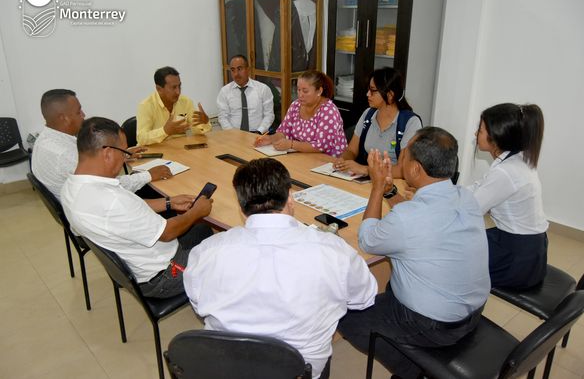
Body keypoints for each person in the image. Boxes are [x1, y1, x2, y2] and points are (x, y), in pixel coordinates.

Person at [183, 158, 377, 378]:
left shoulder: (206, 251)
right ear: (290, 198)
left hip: (225, 367)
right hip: (298, 371)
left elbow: (198, 304)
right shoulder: (334, 251)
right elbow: (363, 298)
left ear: (241, 207)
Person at [338, 127, 490, 379]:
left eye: (405, 154)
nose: (401, 157)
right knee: (394, 280)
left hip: (435, 325)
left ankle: (412, 369)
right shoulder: (466, 197)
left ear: (416, 169)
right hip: (473, 312)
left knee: (344, 315)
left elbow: (367, 240)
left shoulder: (407, 218)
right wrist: (390, 192)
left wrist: (377, 187)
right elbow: (418, 219)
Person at [61, 117, 214, 298]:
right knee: (229, 254)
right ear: (107, 153)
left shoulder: (70, 188)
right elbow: (167, 233)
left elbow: (129, 213)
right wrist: (196, 212)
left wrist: (169, 202)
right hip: (164, 274)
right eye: (124, 151)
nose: (126, 157)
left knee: (202, 230)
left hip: (139, 264)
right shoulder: (112, 200)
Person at [31, 89, 171, 200]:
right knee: (160, 190)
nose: (83, 115)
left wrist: (121, 153)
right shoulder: (62, 154)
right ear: (64, 118)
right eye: (78, 111)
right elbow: (109, 184)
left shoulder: (47, 139)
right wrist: (148, 175)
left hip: (85, 198)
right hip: (98, 205)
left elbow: (90, 160)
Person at [468, 103, 547, 290]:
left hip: (517, 261)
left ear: (496, 137)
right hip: (533, 250)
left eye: (480, 130)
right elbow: (480, 187)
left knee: (451, 252)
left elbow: (470, 209)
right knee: (467, 241)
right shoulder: (517, 159)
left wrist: (435, 199)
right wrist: (448, 191)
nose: (475, 134)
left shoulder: (506, 172)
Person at [333, 67, 422, 177]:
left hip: (392, 182)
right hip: (367, 179)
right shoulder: (368, 114)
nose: (367, 94)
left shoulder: (410, 123)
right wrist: (343, 160)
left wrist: (365, 170)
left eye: (373, 91)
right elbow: (351, 150)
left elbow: (403, 170)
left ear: (390, 95)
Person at [254, 70, 347, 157]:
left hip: (328, 160)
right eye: (298, 90)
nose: (300, 95)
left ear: (319, 91)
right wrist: (271, 139)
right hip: (302, 156)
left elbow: (321, 146)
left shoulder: (328, 111)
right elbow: (284, 132)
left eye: (305, 91)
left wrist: (291, 144)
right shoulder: (296, 105)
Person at [136, 66, 210, 145]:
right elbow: (141, 138)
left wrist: (204, 122)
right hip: (156, 149)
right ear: (159, 89)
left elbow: (197, 131)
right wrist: (165, 131)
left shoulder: (186, 102)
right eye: (173, 87)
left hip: (179, 148)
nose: (178, 92)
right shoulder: (146, 105)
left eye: (179, 86)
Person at [216, 54, 274, 133]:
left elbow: (269, 115)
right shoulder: (225, 91)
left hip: (257, 134)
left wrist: (259, 131)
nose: (236, 74)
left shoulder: (263, 89)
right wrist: (232, 133)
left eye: (239, 69)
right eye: (233, 70)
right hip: (233, 134)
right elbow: (222, 117)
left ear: (248, 70)